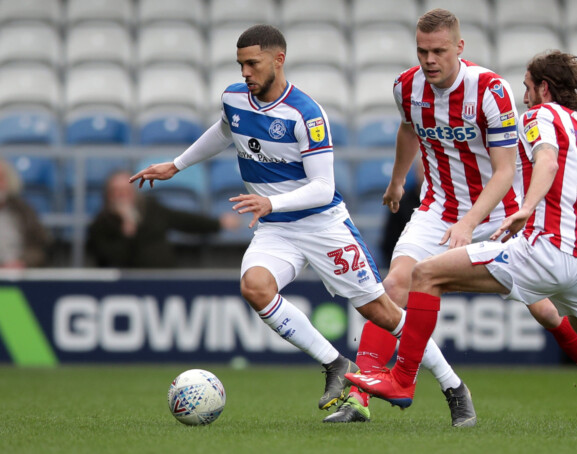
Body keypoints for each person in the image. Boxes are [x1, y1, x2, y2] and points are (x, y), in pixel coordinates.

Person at [329, 11, 577, 428]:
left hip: (498, 213)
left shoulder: (490, 90)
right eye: (422, 51)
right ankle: (359, 396)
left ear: (459, 47)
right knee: (394, 285)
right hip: (437, 209)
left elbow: (505, 171)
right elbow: (408, 129)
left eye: (439, 51)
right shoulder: (406, 86)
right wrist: (398, 181)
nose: (429, 60)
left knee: (547, 313)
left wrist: (469, 223)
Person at [129, 24, 408, 414]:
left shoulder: (307, 113)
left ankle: (452, 385)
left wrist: (270, 203)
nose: (245, 72)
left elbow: (323, 188)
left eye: (253, 63)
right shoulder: (234, 98)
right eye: (240, 64)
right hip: (278, 228)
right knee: (255, 287)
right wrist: (177, 164)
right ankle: (335, 363)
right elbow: (224, 131)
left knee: (381, 312)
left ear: (279, 60)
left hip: (322, 225)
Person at [87, 170, 240, 268]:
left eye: (126, 191)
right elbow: (110, 260)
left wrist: (218, 223)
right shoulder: (100, 225)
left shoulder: (151, 209)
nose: (122, 196)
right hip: (127, 287)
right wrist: (128, 228)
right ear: (108, 195)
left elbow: (183, 220)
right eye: (117, 192)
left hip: (164, 280)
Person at [0, 157, 50, 268]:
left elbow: (39, 247)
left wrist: (22, 262)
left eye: (1, 179)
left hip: (19, 274)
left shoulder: (23, 211)